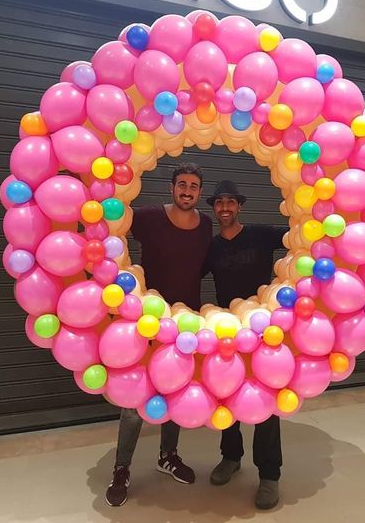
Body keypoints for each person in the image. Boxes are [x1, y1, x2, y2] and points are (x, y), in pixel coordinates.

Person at [105, 162, 212, 507]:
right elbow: (113, 219)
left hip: (186, 320)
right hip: (147, 320)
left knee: (176, 387)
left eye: (193, 186)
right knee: (135, 400)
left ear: (199, 192)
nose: (187, 191)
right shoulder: (149, 217)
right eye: (182, 184)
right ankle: (121, 468)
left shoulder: (206, 224)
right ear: (171, 187)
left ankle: (168, 455)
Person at [202, 179, 287, 510]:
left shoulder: (262, 235)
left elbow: (301, 238)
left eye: (230, 202)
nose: (225, 208)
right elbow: (186, 272)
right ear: (214, 208)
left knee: (267, 398)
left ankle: (269, 475)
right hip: (227, 328)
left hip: (264, 329)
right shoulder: (211, 247)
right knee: (226, 393)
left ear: (239, 206)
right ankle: (231, 457)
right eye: (219, 203)